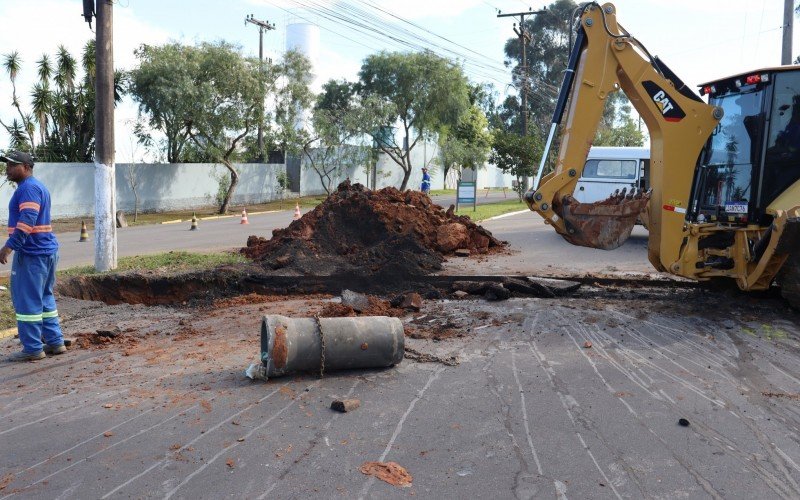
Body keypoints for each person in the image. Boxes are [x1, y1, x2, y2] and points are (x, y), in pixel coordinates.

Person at [0, 150, 65, 361]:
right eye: (7, 164)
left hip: (31, 254)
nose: (7, 168)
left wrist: (9, 247)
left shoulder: (28, 189)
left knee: (27, 302)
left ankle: (33, 349)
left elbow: (28, 218)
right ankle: (55, 342)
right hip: (45, 252)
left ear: (26, 167)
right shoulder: (36, 187)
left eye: (12, 165)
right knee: (44, 298)